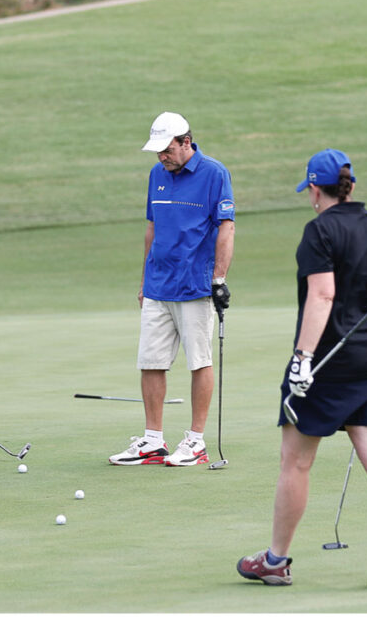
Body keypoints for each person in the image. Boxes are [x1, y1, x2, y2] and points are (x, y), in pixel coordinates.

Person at [236, 149, 367, 587]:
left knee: (296, 463)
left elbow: (321, 295)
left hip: (324, 366)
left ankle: (276, 561)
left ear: (315, 190)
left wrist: (302, 359)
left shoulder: (318, 232)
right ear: (351, 187)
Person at [109, 112, 235, 467]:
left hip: (195, 284)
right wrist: (144, 281)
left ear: (185, 142)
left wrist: (219, 279)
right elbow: (152, 228)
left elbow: (226, 229)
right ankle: (152, 440)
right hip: (158, 285)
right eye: (158, 151)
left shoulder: (214, 173)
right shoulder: (157, 175)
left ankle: (195, 441)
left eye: (167, 149)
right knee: (151, 362)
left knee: (199, 361)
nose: (162, 157)